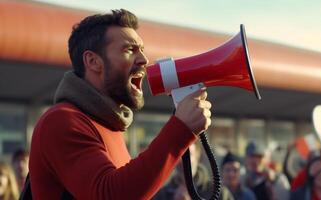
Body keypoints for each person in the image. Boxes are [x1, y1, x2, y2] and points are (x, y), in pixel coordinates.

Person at [28, 9, 212, 199]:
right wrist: (180, 130)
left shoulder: (107, 124)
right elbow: (110, 194)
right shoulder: (62, 120)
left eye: (141, 50)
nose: (144, 60)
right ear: (93, 61)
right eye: (129, 50)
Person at [153, 142, 234, 200]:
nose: (183, 161)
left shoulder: (219, 193)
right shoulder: (162, 194)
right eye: (179, 155)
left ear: (197, 154)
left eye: (189, 155)